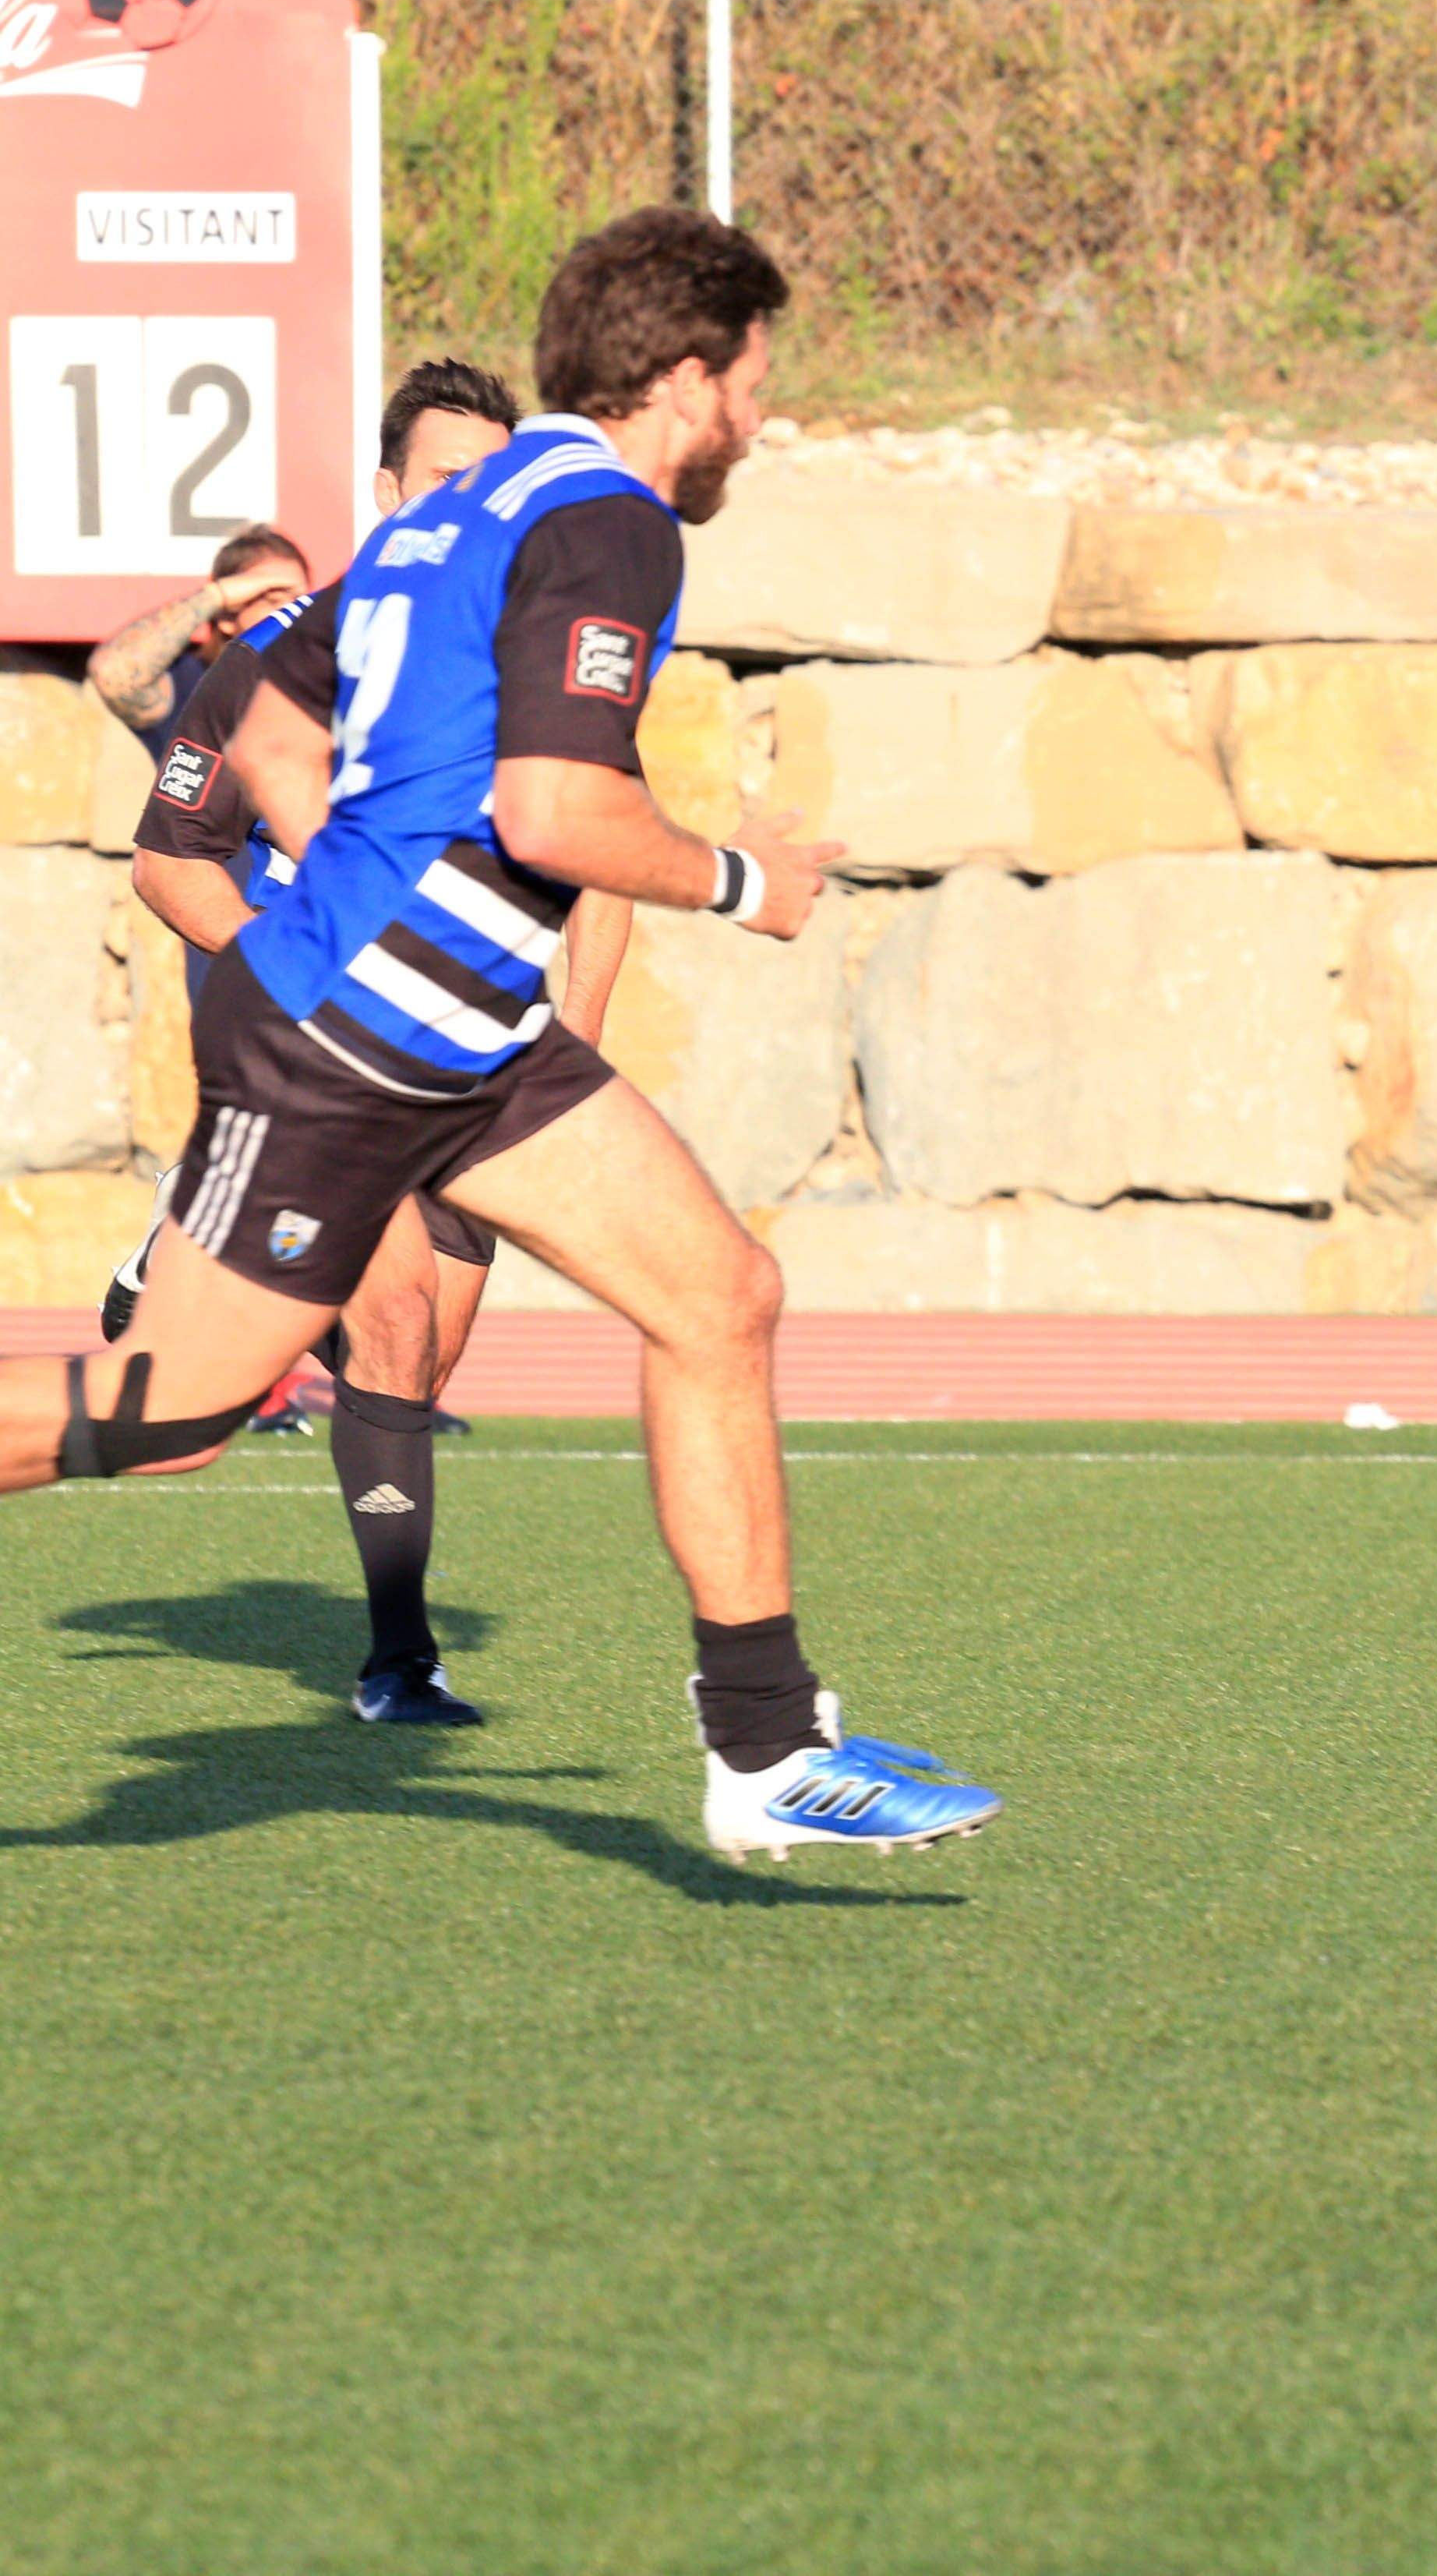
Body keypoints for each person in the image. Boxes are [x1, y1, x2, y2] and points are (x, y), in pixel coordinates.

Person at [0, 207, 1000, 1862]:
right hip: (349, 1042)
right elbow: (552, 812)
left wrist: (366, 861)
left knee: (720, 1294)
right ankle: (761, 1749)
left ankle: (765, 1754)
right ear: (686, 380)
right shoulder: (613, 524)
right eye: (755, 381)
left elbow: (264, 717)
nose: (762, 416)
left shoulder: (457, 511)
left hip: (470, 1039)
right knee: (169, 1414)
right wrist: (742, 879)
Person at [111, 359, 605, 1724]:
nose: (469, 501)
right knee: (384, 1324)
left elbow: (597, 867)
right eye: (443, 477)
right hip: (336, 1048)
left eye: (490, 480)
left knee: (419, 1362)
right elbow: (169, 862)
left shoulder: (539, 652)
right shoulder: (290, 654)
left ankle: (205, 1249)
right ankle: (399, 1662)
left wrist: (576, 1048)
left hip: (485, 1047)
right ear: (388, 493)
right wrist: (294, 976)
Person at [84, 522, 309, 760]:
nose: (292, 615)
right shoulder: (190, 684)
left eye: (301, 603)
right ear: (227, 617)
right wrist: (216, 595)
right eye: (273, 600)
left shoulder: (320, 687)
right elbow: (112, 673)